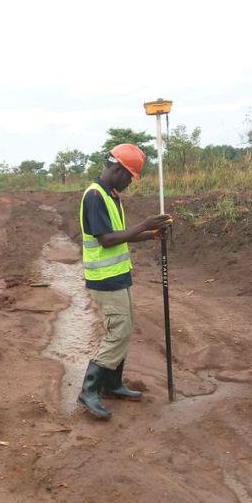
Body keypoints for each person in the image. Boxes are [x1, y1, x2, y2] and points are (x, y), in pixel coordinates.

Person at [77, 143, 173, 419]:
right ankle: (90, 390)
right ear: (118, 169)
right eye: (130, 176)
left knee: (126, 328)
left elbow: (121, 234)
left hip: (119, 275)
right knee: (118, 331)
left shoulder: (112, 194)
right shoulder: (95, 196)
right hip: (104, 278)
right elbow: (106, 240)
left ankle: (113, 384)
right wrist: (144, 224)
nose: (130, 183)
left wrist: (153, 234)